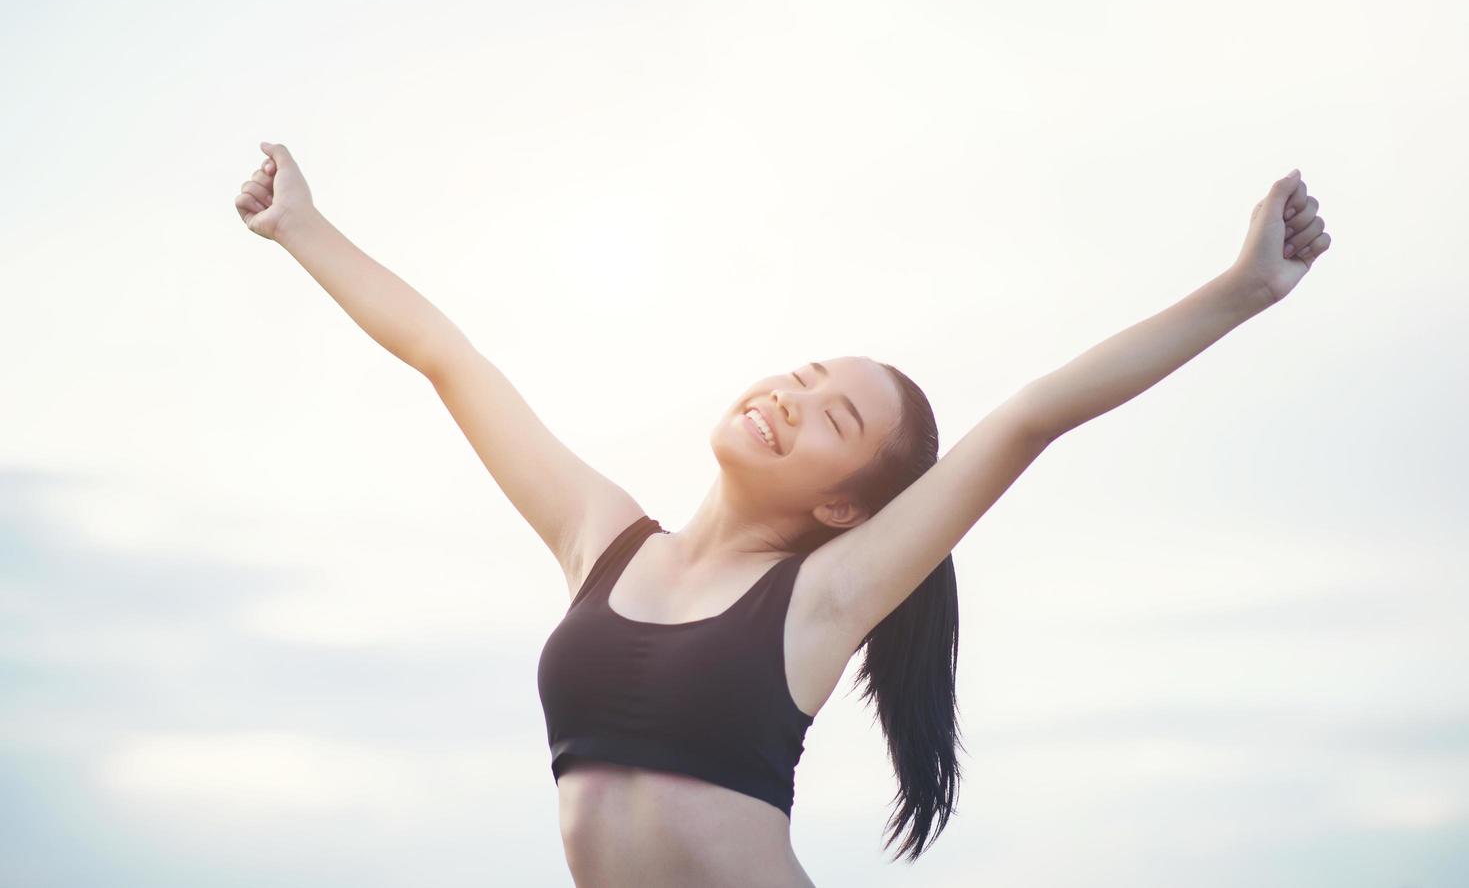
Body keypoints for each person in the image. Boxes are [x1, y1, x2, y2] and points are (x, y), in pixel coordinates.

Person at [234, 142, 1331, 886]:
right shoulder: (600, 536)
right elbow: (448, 358)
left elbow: (1028, 418)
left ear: (841, 500)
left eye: (832, 416)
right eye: (800, 375)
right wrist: (304, 227)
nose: (789, 397)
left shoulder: (822, 597)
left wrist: (1242, 288)